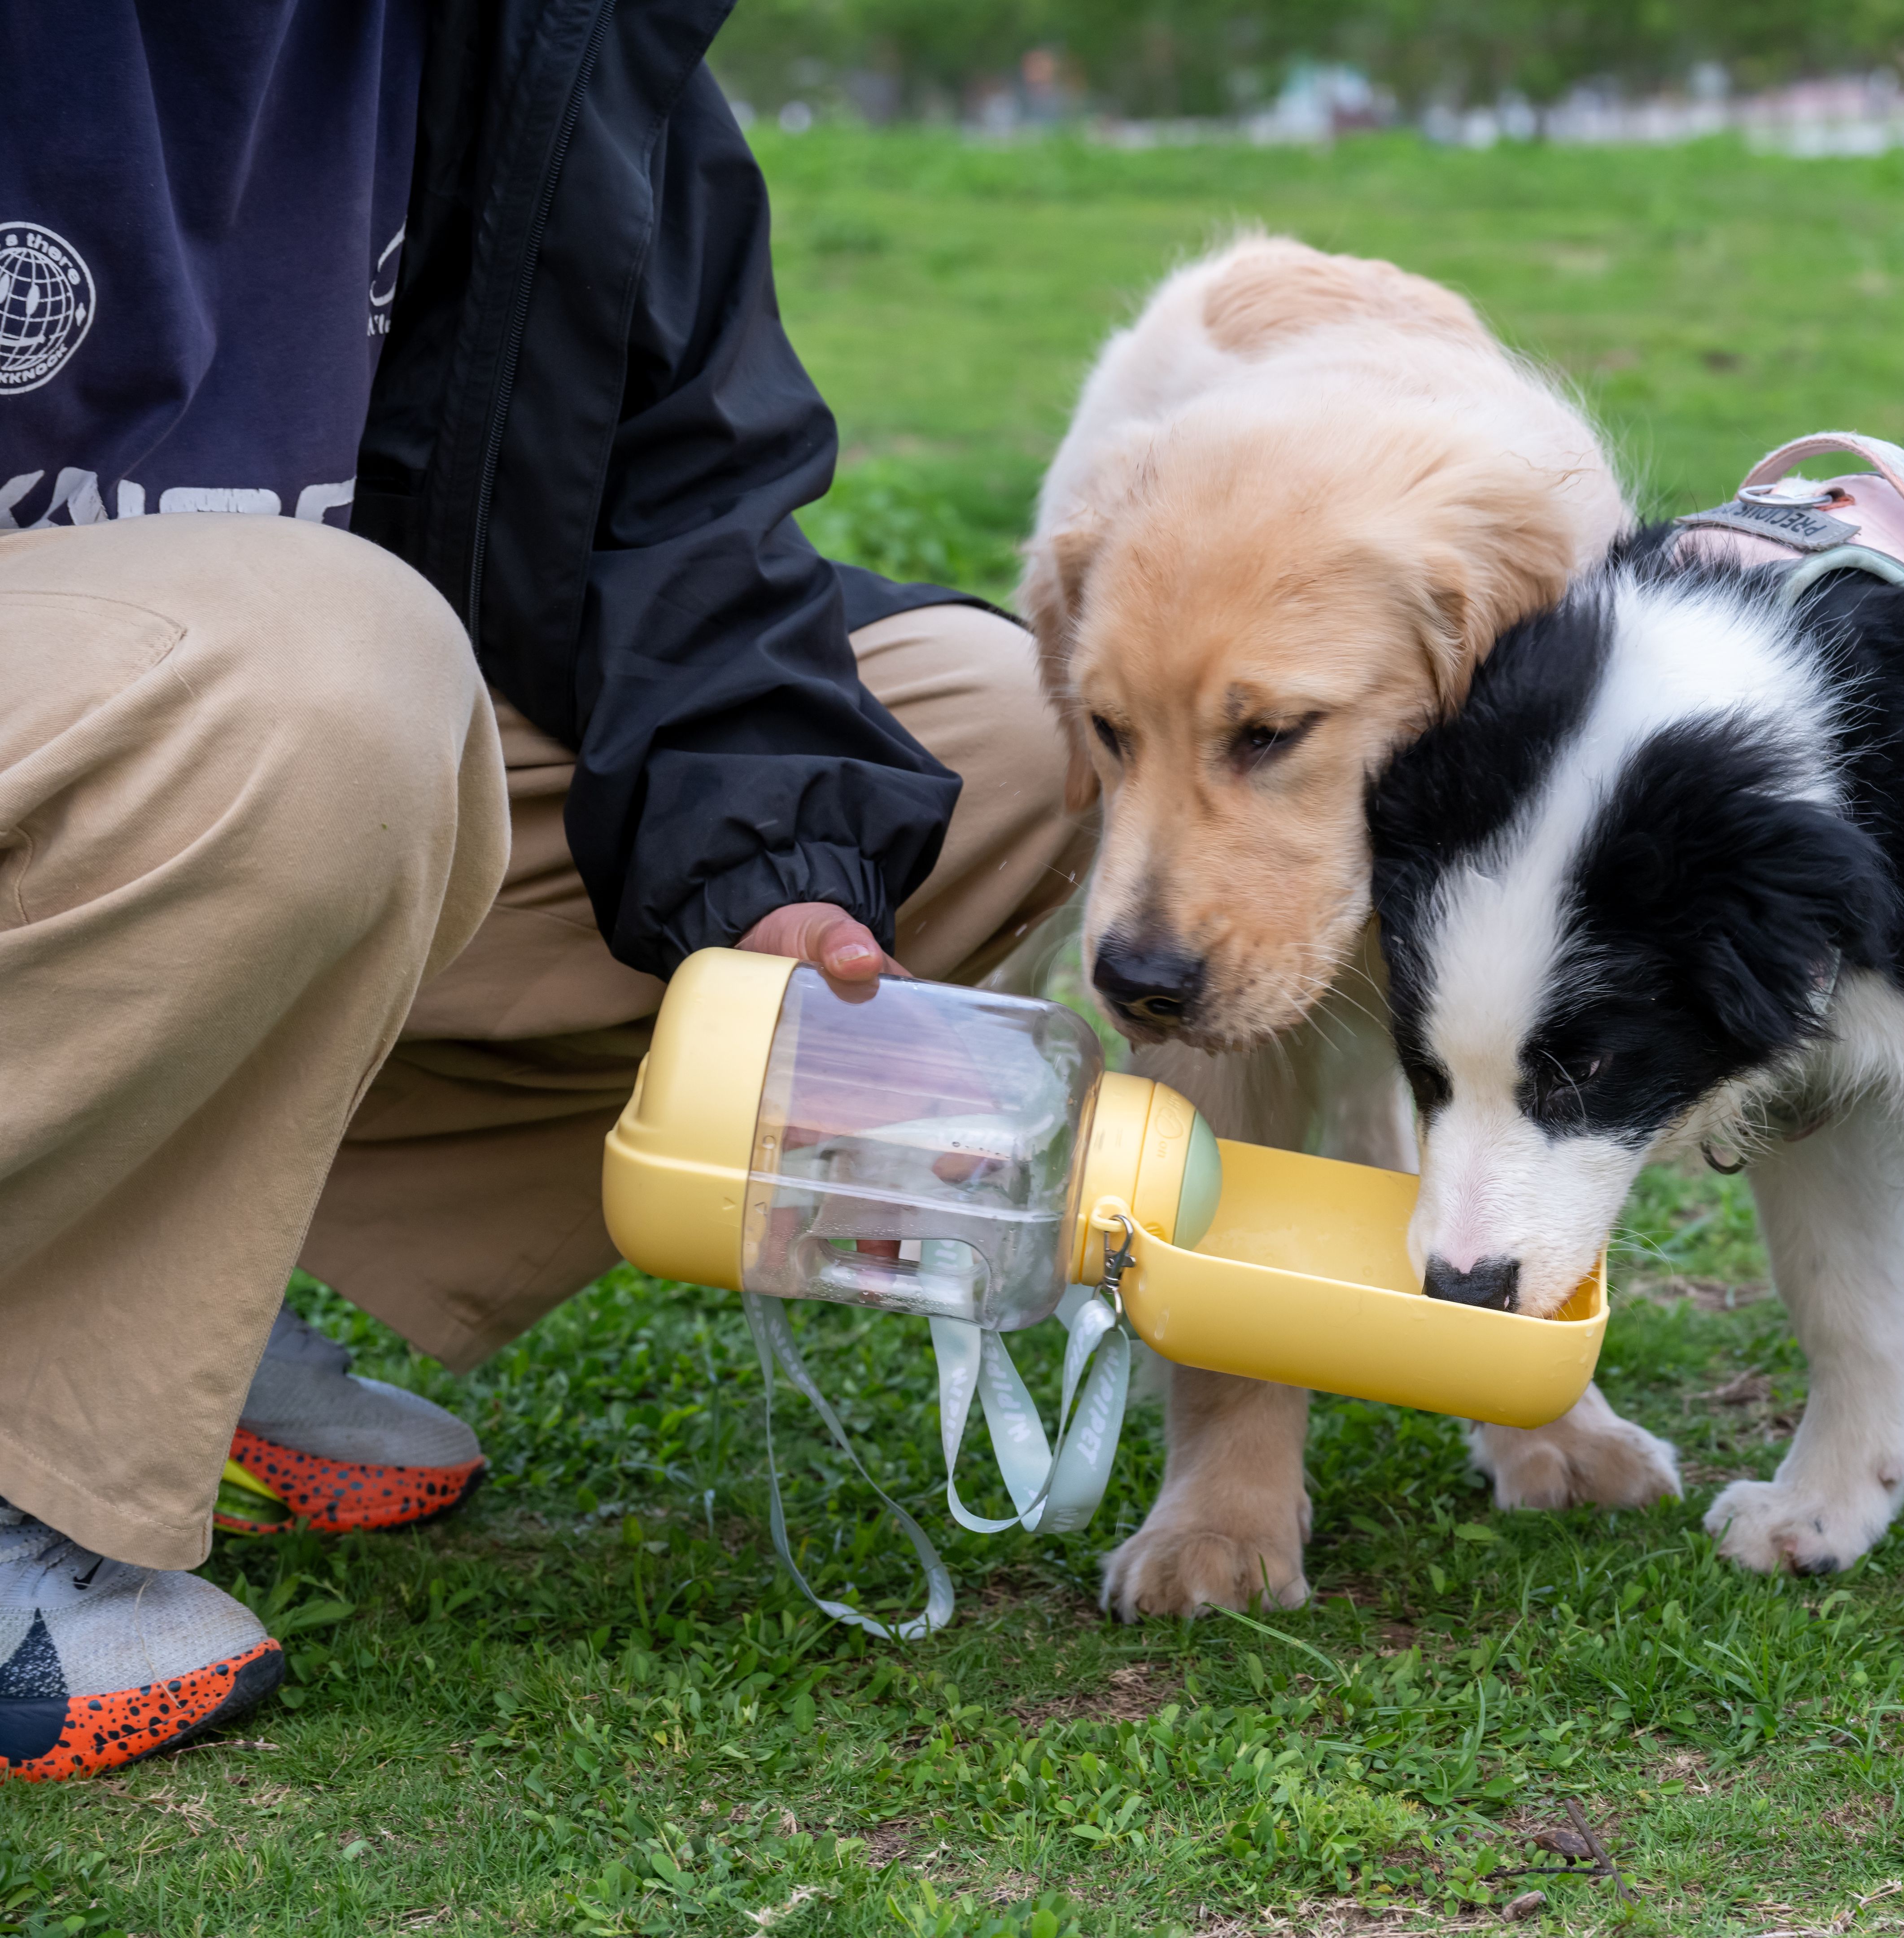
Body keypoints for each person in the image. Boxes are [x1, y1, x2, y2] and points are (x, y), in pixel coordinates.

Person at [0, 2, 1089, 1781]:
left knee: (999, 742)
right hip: (174, 709)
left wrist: (775, 882)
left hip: (267, 743)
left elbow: (676, 504)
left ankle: (155, 1293)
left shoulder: (530, 25)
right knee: (336, 663)